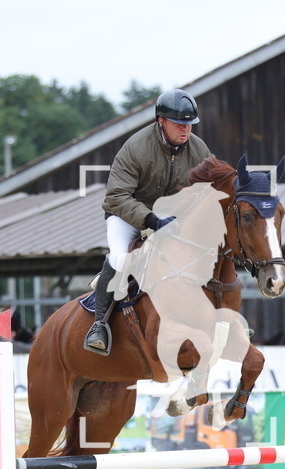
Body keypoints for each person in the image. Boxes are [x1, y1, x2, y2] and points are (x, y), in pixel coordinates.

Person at [84, 88, 212, 355]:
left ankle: (216, 321)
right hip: (127, 215)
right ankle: (99, 326)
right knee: (120, 259)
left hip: (171, 219)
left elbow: (205, 192)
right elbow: (117, 196)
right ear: (161, 121)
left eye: (189, 124)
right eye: (179, 124)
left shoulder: (199, 149)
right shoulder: (135, 148)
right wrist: (151, 220)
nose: (185, 130)